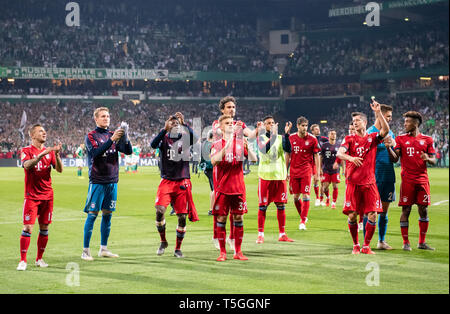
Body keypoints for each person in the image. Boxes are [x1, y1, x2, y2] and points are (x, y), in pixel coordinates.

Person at [336, 101, 389, 255]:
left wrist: (378, 113)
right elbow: (339, 153)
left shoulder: (373, 138)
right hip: (353, 184)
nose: (355, 123)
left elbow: (386, 129)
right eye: (353, 122)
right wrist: (351, 158)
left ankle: (366, 246)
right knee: (352, 215)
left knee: (372, 214)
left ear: (365, 123)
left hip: (370, 183)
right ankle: (355, 245)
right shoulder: (349, 139)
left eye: (357, 121)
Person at [210, 96, 261, 251]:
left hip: (235, 164)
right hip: (221, 167)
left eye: (233, 107)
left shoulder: (239, 124)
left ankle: (232, 237)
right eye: (228, 107)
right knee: (216, 199)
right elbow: (219, 135)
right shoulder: (218, 124)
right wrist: (234, 131)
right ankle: (216, 234)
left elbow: (250, 135)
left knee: (237, 209)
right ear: (222, 110)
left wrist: (259, 129)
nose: (232, 109)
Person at [81, 107, 132, 261]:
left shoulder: (112, 135)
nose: (106, 118)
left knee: (108, 215)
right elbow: (95, 154)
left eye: (108, 116)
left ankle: (103, 248)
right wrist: (112, 140)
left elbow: (128, 151)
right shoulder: (91, 136)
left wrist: (126, 136)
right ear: (96, 119)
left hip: (112, 181)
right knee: (92, 215)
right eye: (103, 116)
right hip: (97, 180)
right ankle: (85, 251)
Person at [386, 111, 436, 251]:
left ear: (416, 123)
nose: (405, 124)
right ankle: (406, 242)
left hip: (422, 180)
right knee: (406, 210)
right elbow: (395, 159)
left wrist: (428, 158)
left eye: (407, 121)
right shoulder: (401, 139)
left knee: (423, 210)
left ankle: (422, 242)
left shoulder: (427, 140)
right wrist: (389, 147)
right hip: (407, 181)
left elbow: (433, 160)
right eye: (405, 121)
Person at [151, 112, 199, 258]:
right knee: (160, 211)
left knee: (182, 217)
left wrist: (184, 123)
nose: (175, 125)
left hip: (181, 181)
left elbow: (195, 138)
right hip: (166, 181)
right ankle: (163, 241)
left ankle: (178, 248)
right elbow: (153, 144)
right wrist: (164, 129)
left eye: (177, 123)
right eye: (172, 123)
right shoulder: (163, 138)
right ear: (167, 125)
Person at [17, 124, 63, 271]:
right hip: (32, 197)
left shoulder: (50, 152)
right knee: (28, 228)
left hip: (47, 196)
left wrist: (56, 155)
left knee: (44, 228)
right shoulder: (26, 151)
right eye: (40, 131)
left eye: (44, 131)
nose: (44, 133)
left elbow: (60, 170)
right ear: (32, 135)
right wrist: (41, 155)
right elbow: (27, 165)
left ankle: (39, 259)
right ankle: (23, 260)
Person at [256, 116, 293, 244]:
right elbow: (263, 150)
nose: (271, 125)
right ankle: (260, 234)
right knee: (263, 206)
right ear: (264, 126)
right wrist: (273, 136)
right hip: (266, 177)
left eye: (272, 123)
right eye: (268, 123)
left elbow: (289, 150)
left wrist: (287, 135)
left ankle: (282, 234)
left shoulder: (280, 138)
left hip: (279, 176)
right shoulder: (260, 137)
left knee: (281, 205)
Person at [367, 104, 396, 250]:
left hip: (388, 176)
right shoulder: (369, 133)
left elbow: (395, 157)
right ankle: (366, 243)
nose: (390, 119)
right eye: (388, 116)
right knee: (370, 210)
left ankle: (381, 241)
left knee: (384, 212)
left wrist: (391, 146)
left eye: (391, 116)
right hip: (373, 177)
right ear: (381, 115)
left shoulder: (391, 134)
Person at [285, 116, 321, 230]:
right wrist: (285, 171)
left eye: (306, 125)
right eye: (302, 126)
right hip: (294, 171)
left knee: (305, 195)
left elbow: (316, 156)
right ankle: (303, 216)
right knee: (295, 197)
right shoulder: (291, 138)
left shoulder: (312, 139)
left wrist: (317, 173)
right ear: (297, 126)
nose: (305, 128)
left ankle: (302, 221)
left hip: (306, 170)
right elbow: (287, 155)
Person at [319, 129, 340, 209]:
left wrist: (344, 168)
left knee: (335, 186)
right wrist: (320, 168)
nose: (333, 135)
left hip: (335, 169)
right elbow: (320, 157)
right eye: (331, 134)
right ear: (328, 135)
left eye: (334, 134)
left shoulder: (338, 145)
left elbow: (340, 157)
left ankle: (333, 203)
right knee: (325, 187)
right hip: (326, 168)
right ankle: (328, 197)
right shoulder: (324, 145)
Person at [310, 124, 328, 206]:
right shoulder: (310, 139)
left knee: (323, 182)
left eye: (318, 129)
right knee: (316, 179)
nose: (318, 130)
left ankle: (322, 199)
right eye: (316, 129)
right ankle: (317, 198)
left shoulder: (323, 139)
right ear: (312, 131)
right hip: (312, 162)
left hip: (323, 163)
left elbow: (331, 143)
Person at [200, 131, 215, 216]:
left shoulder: (204, 143)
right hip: (210, 167)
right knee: (215, 189)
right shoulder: (210, 145)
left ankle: (213, 208)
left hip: (205, 168)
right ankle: (212, 209)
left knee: (213, 188)